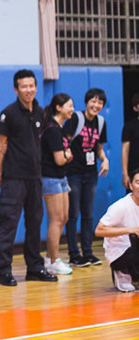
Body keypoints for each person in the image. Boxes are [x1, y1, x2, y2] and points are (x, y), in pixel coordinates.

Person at [0, 69, 57, 286]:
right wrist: (1, 174)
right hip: (13, 178)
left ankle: (35, 268)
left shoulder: (40, 112)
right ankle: (4, 271)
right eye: (23, 86)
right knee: (9, 224)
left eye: (31, 85)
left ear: (36, 87)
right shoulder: (8, 113)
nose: (28, 90)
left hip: (35, 178)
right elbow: (2, 146)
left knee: (35, 222)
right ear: (16, 89)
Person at [63, 88, 109, 267]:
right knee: (73, 213)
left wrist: (104, 160)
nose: (96, 105)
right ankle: (74, 254)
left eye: (100, 103)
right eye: (93, 101)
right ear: (86, 102)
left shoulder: (101, 122)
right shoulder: (76, 118)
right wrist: (65, 154)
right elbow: (65, 140)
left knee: (88, 214)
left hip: (91, 173)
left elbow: (98, 148)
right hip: (73, 172)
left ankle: (88, 253)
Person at [41, 93, 75, 275]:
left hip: (62, 178)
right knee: (55, 220)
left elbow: (65, 154)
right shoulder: (52, 129)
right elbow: (60, 159)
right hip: (51, 178)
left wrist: (67, 155)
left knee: (63, 218)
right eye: (69, 105)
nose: (72, 109)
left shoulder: (60, 128)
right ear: (59, 107)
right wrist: (67, 155)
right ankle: (52, 261)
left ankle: (51, 257)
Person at [95, 167, 139, 292]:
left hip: (135, 250)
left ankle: (134, 275)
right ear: (130, 185)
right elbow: (99, 230)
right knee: (134, 236)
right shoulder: (121, 206)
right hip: (119, 253)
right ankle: (122, 272)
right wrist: (129, 230)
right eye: (138, 182)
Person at [122, 93, 139, 191]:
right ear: (135, 108)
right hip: (134, 169)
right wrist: (125, 173)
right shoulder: (129, 126)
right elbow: (125, 150)